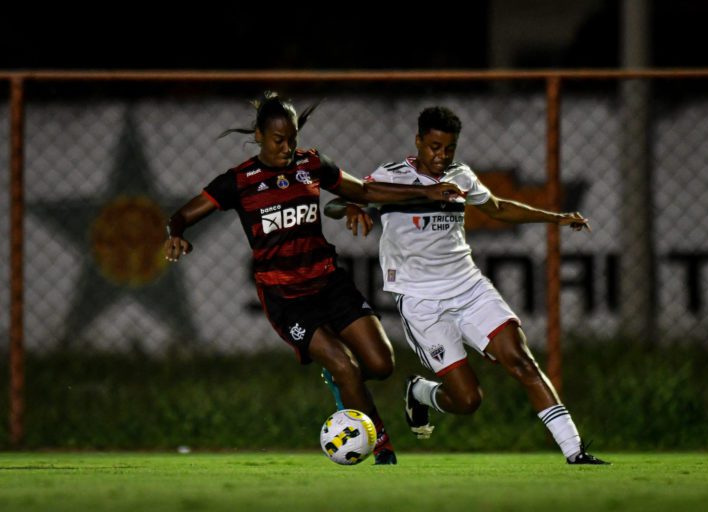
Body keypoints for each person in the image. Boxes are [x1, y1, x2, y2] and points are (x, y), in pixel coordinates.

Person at [164, 93, 460, 465]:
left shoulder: (312, 165)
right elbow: (181, 215)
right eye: (278, 140)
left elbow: (364, 191)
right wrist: (174, 233)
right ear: (259, 136)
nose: (287, 147)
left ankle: (344, 385)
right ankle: (380, 442)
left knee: (381, 364)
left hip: (329, 282)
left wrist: (426, 191)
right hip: (286, 298)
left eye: (292, 138)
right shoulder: (239, 181)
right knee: (343, 362)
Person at [325, 106, 608, 465]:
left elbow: (499, 208)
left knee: (522, 361)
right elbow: (344, 199)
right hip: (422, 302)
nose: (441, 156)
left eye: (448, 148)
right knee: (468, 400)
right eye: (433, 147)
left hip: (470, 288)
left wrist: (556, 218)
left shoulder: (461, 176)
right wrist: (354, 207)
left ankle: (575, 451)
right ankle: (422, 393)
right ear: (418, 142)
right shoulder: (391, 176)